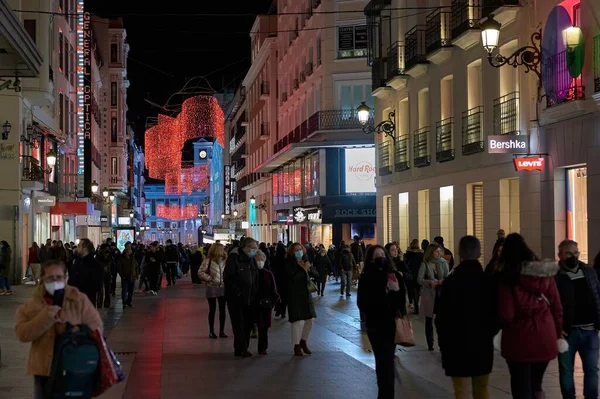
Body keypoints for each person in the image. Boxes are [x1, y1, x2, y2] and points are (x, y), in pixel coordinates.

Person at [15, 260, 103, 399]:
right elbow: (22, 333)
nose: (55, 281)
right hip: (44, 368)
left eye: (59, 277)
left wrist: (72, 329)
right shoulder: (32, 305)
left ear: (66, 278)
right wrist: (46, 317)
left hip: (75, 365)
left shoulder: (78, 299)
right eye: (50, 277)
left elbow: (97, 327)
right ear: (43, 279)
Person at [497, 233, 563, 399]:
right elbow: (557, 307)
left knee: (521, 386)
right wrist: (557, 333)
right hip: (545, 336)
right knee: (537, 384)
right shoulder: (544, 275)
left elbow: (507, 314)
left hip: (518, 339)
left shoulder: (507, 277)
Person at [436, 236, 498, 399]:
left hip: (456, 347)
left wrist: (444, 343)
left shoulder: (451, 282)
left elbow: (441, 318)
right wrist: (487, 333)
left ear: (460, 253)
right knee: (482, 389)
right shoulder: (487, 282)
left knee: (461, 391)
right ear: (479, 252)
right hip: (482, 345)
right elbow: (497, 315)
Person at [358, 245, 406, 399]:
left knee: (389, 358)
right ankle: (382, 392)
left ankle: (388, 393)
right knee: (381, 358)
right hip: (375, 325)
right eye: (376, 255)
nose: (380, 257)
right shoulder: (366, 277)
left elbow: (401, 302)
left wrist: (397, 290)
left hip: (391, 324)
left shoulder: (393, 275)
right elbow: (362, 302)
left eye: (382, 254)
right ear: (371, 259)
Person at [555, 239, 600, 399]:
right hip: (568, 334)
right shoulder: (556, 277)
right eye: (568, 253)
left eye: (575, 253)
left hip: (590, 332)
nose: (572, 256)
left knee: (592, 370)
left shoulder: (589, 272)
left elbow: (597, 296)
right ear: (560, 255)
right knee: (566, 371)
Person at [223, 237, 259, 357]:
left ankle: (244, 347)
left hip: (250, 298)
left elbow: (255, 276)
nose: (255, 250)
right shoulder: (234, 259)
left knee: (248, 324)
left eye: (256, 248)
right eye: (253, 248)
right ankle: (240, 348)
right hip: (237, 299)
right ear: (246, 248)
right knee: (239, 324)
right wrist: (237, 292)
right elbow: (229, 278)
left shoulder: (251, 260)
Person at [285, 242, 318, 356]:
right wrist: (303, 270)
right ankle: (296, 345)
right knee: (297, 322)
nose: (299, 252)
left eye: (300, 249)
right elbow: (291, 279)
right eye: (296, 250)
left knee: (310, 319)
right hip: (294, 296)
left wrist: (308, 269)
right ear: (291, 252)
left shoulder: (306, 261)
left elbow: (316, 274)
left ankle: (303, 341)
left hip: (306, 295)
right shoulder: (289, 263)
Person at [417, 242, 449, 351]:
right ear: (431, 252)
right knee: (429, 319)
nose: (439, 253)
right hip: (429, 294)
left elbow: (447, 278)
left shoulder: (444, 263)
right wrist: (429, 282)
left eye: (440, 251)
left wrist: (441, 281)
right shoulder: (425, 263)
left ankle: (442, 343)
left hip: (441, 294)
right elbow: (419, 279)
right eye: (436, 251)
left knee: (441, 320)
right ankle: (430, 343)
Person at [199, 243, 228, 339]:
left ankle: (221, 331)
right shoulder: (208, 260)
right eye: (221, 249)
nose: (223, 250)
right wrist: (209, 278)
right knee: (212, 310)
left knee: (222, 310)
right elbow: (200, 272)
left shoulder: (225, 260)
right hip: (211, 287)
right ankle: (211, 331)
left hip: (223, 287)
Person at [255, 249, 279, 355]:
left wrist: (271, 304)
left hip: (265, 305)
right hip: (252, 304)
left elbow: (274, 291)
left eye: (261, 259)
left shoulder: (268, 274)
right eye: (257, 259)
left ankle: (262, 348)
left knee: (263, 328)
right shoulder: (251, 272)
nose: (259, 261)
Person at [68, 239, 103, 307]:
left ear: (84, 248)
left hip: (87, 300)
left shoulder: (94, 264)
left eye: (79, 246)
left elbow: (97, 283)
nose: (77, 247)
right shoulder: (77, 261)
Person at [404, 239, 424, 315]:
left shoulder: (408, 253)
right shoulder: (421, 254)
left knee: (410, 289)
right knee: (417, 289)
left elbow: (405, 263)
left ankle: (411, 302)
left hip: (410, 273)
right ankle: (416, 304)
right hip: (418, 273)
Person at [117, 242, 138, 308]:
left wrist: (136, 275)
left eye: (130, 247)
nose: (129, 249)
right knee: (124, 291)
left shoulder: (133, 258)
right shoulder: (121, 258)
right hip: (125, 277)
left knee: (131, 291)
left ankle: (129, 302)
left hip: (132, 277)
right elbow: (119, 268)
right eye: (128, 247)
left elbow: (136, 266)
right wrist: (122, 276)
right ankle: (124, 303)